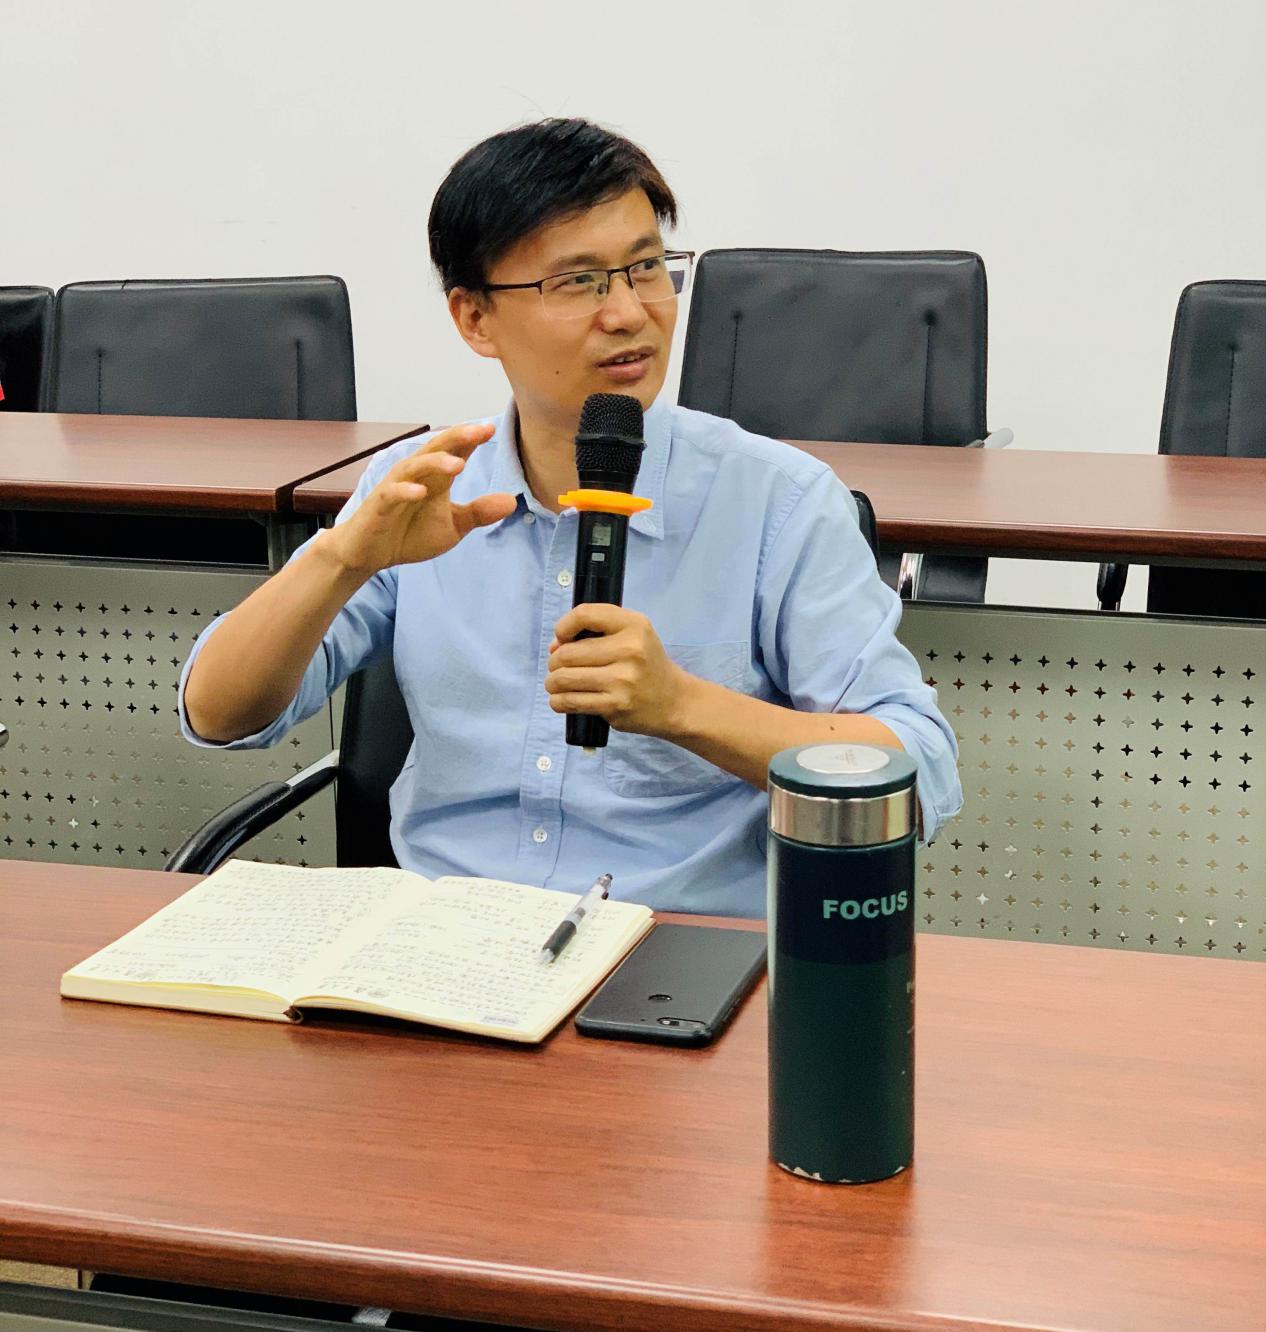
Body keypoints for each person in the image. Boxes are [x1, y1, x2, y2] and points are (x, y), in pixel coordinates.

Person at [180, 118, 961, 915]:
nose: (628, 313)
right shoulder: (422, 490)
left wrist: (682, 706)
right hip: (443, 935)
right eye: (579, 281)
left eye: (647, 268)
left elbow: (919, 770)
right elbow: (218, 713)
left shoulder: (776, 502)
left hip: (675, 943)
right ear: (475, 318)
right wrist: (342, 558)